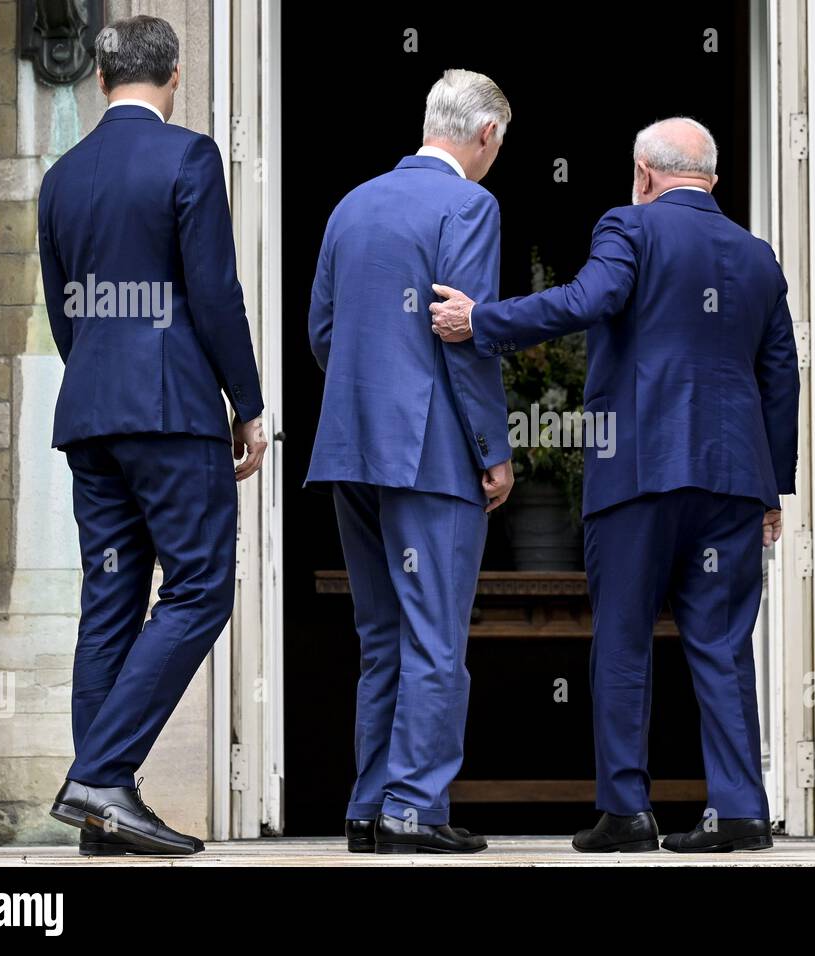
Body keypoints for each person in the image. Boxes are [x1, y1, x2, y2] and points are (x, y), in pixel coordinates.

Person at [431, 117, 799, 853]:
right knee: (723, 644)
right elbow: (779, 373)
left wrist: (484, 320)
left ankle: (626, 810)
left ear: (642, 172)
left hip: (637, 470)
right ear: (714, 181)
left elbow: (583, 301)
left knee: (625, 640)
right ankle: (740, 810)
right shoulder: (757, 257)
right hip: (731, 479)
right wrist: (772, 488)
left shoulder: (628, 228)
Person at [38, 15, 267, 856]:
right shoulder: (189, 155)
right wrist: (246, 402)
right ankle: (100, 779)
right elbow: (213, 293)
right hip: (170, 409)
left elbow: (67, 313)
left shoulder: (61, 175)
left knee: (110, 602)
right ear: (175, 76)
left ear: (101, 82)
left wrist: (100, 374)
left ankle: (102, 816)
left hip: (91, 414)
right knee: (202, 587)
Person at [305, 69, 514, 854]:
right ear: (486, 134)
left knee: (381, 634)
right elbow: (465, 341)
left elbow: (323, 332)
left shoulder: (353, 203)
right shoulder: (470, 204)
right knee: (435, 637)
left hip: (350, 447)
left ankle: (368, 808)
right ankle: (414, 808)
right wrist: (493, 451)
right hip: (429, 454)